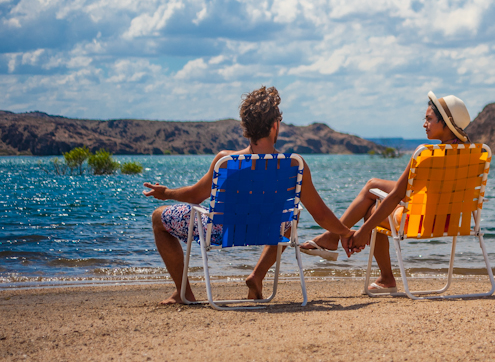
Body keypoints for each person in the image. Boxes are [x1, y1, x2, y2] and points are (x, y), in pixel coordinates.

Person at [143, 86, 353, 305]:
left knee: (159, 217)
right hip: (271, 230)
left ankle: (184, 292)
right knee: (290, 215)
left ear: (246, 128)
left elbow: (195, 196)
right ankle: (257, 275)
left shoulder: (225, 161)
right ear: (275, 126)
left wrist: (166, 193)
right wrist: (345, 232)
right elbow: (320, 214)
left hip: (223, 232)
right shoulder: (294, 164)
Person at [297, 91, 472, 293]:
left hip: (421, 222)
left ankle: (383, 275)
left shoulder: (427, 156)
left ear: (447, 123)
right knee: (373, 186)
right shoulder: (473, 154)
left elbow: (397, 195)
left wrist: (363, 232)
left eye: (429, 119)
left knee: (373, 208)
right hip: (452, 220)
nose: (424, 124)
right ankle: (333, 237)